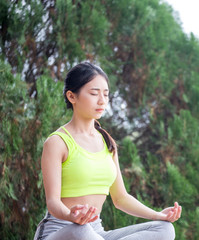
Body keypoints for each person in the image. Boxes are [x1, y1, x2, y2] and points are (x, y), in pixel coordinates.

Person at [34, 62, 182, 240]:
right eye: (94, 93)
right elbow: (53, 203)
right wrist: (71, 216)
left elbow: (121, 198)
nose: (102, 101)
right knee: (81, 231)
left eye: (106, 94)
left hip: (96, 234)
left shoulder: (107, 141)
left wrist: (158, 215)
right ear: (72, 96)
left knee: (164, 230)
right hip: (63, 231)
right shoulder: (57, 142)